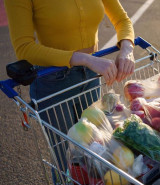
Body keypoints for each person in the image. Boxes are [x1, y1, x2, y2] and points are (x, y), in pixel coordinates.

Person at [4, 0, 135, 183]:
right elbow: (24, 48)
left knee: (97, 153)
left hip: (90, 76)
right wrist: (85, 59)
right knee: (68, 164)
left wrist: (127, 49)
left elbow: (122, 19)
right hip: (53, 82)